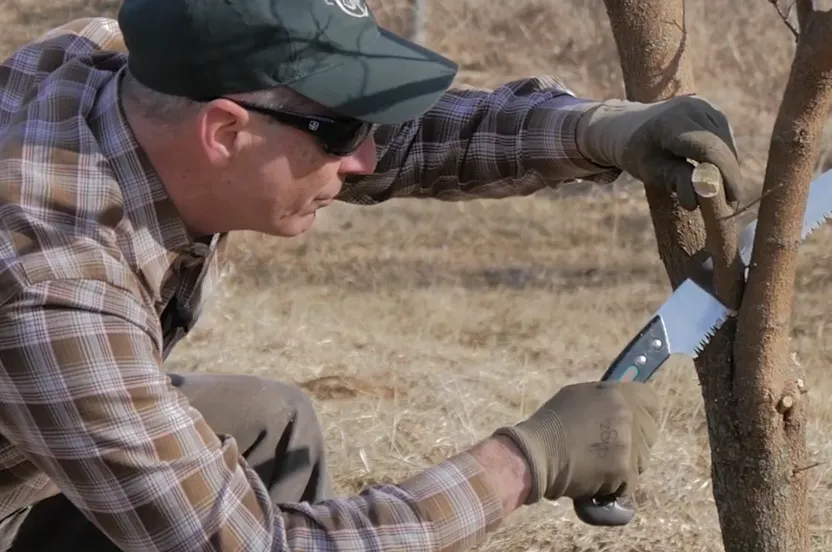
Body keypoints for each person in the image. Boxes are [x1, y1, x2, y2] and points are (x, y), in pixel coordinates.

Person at [0, 0, 755, 550]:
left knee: (267, 423)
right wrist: (529, 462)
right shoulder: (57, 288)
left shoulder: (108, 71)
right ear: (224, 131)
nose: (365, 158)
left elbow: (403, 137)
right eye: (341, 134)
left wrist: (597, 130)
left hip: (30, 447)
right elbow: (259, 547)